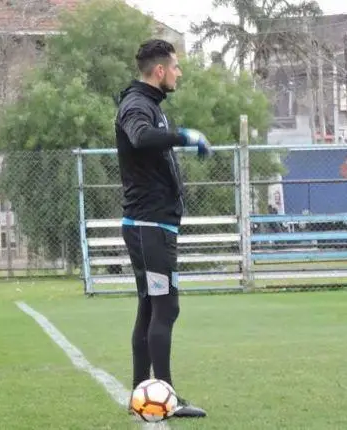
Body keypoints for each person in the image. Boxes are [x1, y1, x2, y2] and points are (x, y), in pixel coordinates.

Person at [115, 39, 211, 418]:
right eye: (176, 67)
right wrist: (184, 135)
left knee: (150, 307)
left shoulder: (149, 104)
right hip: (149, 227)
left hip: (151, 226)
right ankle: (165, 398)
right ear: (160, 71)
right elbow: (140, 137)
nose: (179, 73)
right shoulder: (137, 105)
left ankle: (141, 394)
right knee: (165, 308)